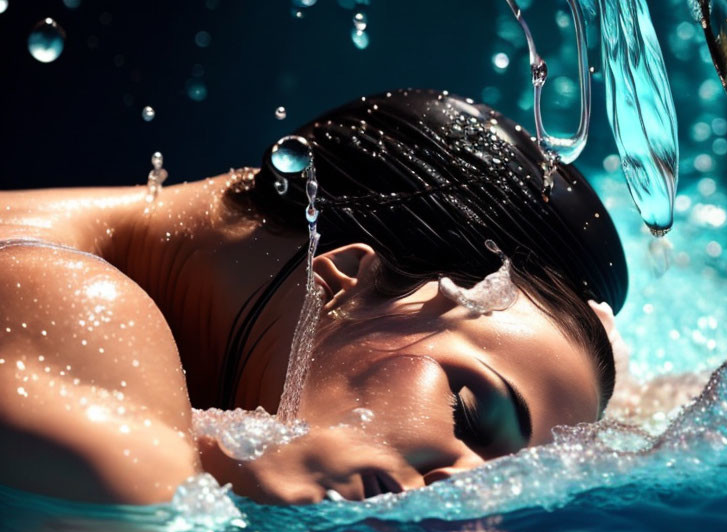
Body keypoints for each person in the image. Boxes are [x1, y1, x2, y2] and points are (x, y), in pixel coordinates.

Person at [0, 89, 628, 505]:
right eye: (468, 411)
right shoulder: (74, 301)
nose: (470, 483)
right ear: (345, 280)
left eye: (512, 478)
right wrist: (224, 468)